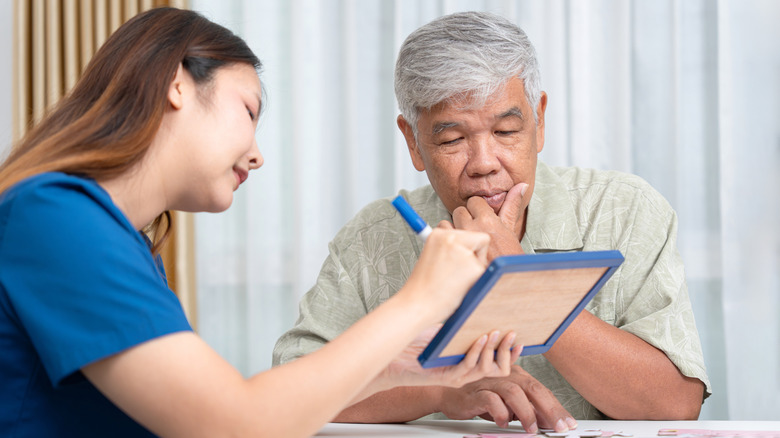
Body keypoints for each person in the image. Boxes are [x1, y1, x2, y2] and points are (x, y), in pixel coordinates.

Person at [0, 8, 521, 437]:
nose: (257, 154)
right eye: (249, 111)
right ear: (175, 85)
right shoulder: (55, 218)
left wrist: (396, 366)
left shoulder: (120, 239)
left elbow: (229, 406)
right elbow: (231, 422)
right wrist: (419, 300)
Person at [273, 10, 711, 432]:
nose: (484, 164)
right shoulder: (372, 238)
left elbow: (674, 403)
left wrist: (522, 282)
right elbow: (288, 393)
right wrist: (439, 389)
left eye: (505, 132)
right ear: (413, 142)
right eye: (452, 138)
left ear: (539, 121)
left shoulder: (625, 209)